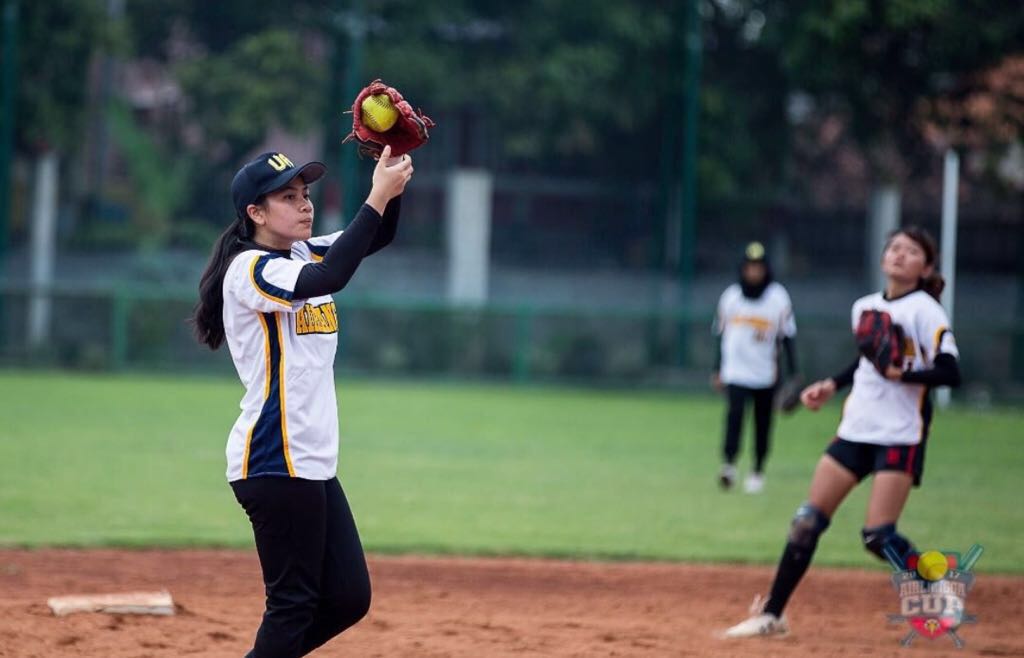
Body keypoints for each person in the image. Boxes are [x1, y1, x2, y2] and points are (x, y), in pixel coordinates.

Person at [192, 145, 413, 657]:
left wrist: (391, 176)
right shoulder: (250, 269)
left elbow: (375, 235)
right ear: (256, 213)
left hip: (310, 462)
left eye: (306, 193)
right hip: (273, 460)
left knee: (347, 598)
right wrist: (376, 197)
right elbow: (329, 278)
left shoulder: (301, 253)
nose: (304, 204)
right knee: (292, 605)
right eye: (288, 197)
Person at [723, 226, 961, 638]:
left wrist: (901, 372)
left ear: (926, 267)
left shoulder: (926, 310)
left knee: (877, 536)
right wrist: (832, 384)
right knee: (806, 522)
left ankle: (934, 587)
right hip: (856, 429)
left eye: (911, 251)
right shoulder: (865, 307)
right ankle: (772, 615)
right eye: (894, 247)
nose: (899, 254)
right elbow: (865, 362)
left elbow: (951, 371)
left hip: (900, 435)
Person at [712, 241, 798, 494]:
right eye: (749, 267)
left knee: (763, 423)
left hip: (765, 373)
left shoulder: (778, 298)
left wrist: (794, 373)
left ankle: (757, 470)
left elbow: (788, 336)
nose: (753, 272)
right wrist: (717, 368)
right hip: (735, 370)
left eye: (758, 267)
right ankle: (728, 464)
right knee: (734, 417)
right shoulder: (731, 297)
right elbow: (720, 333)